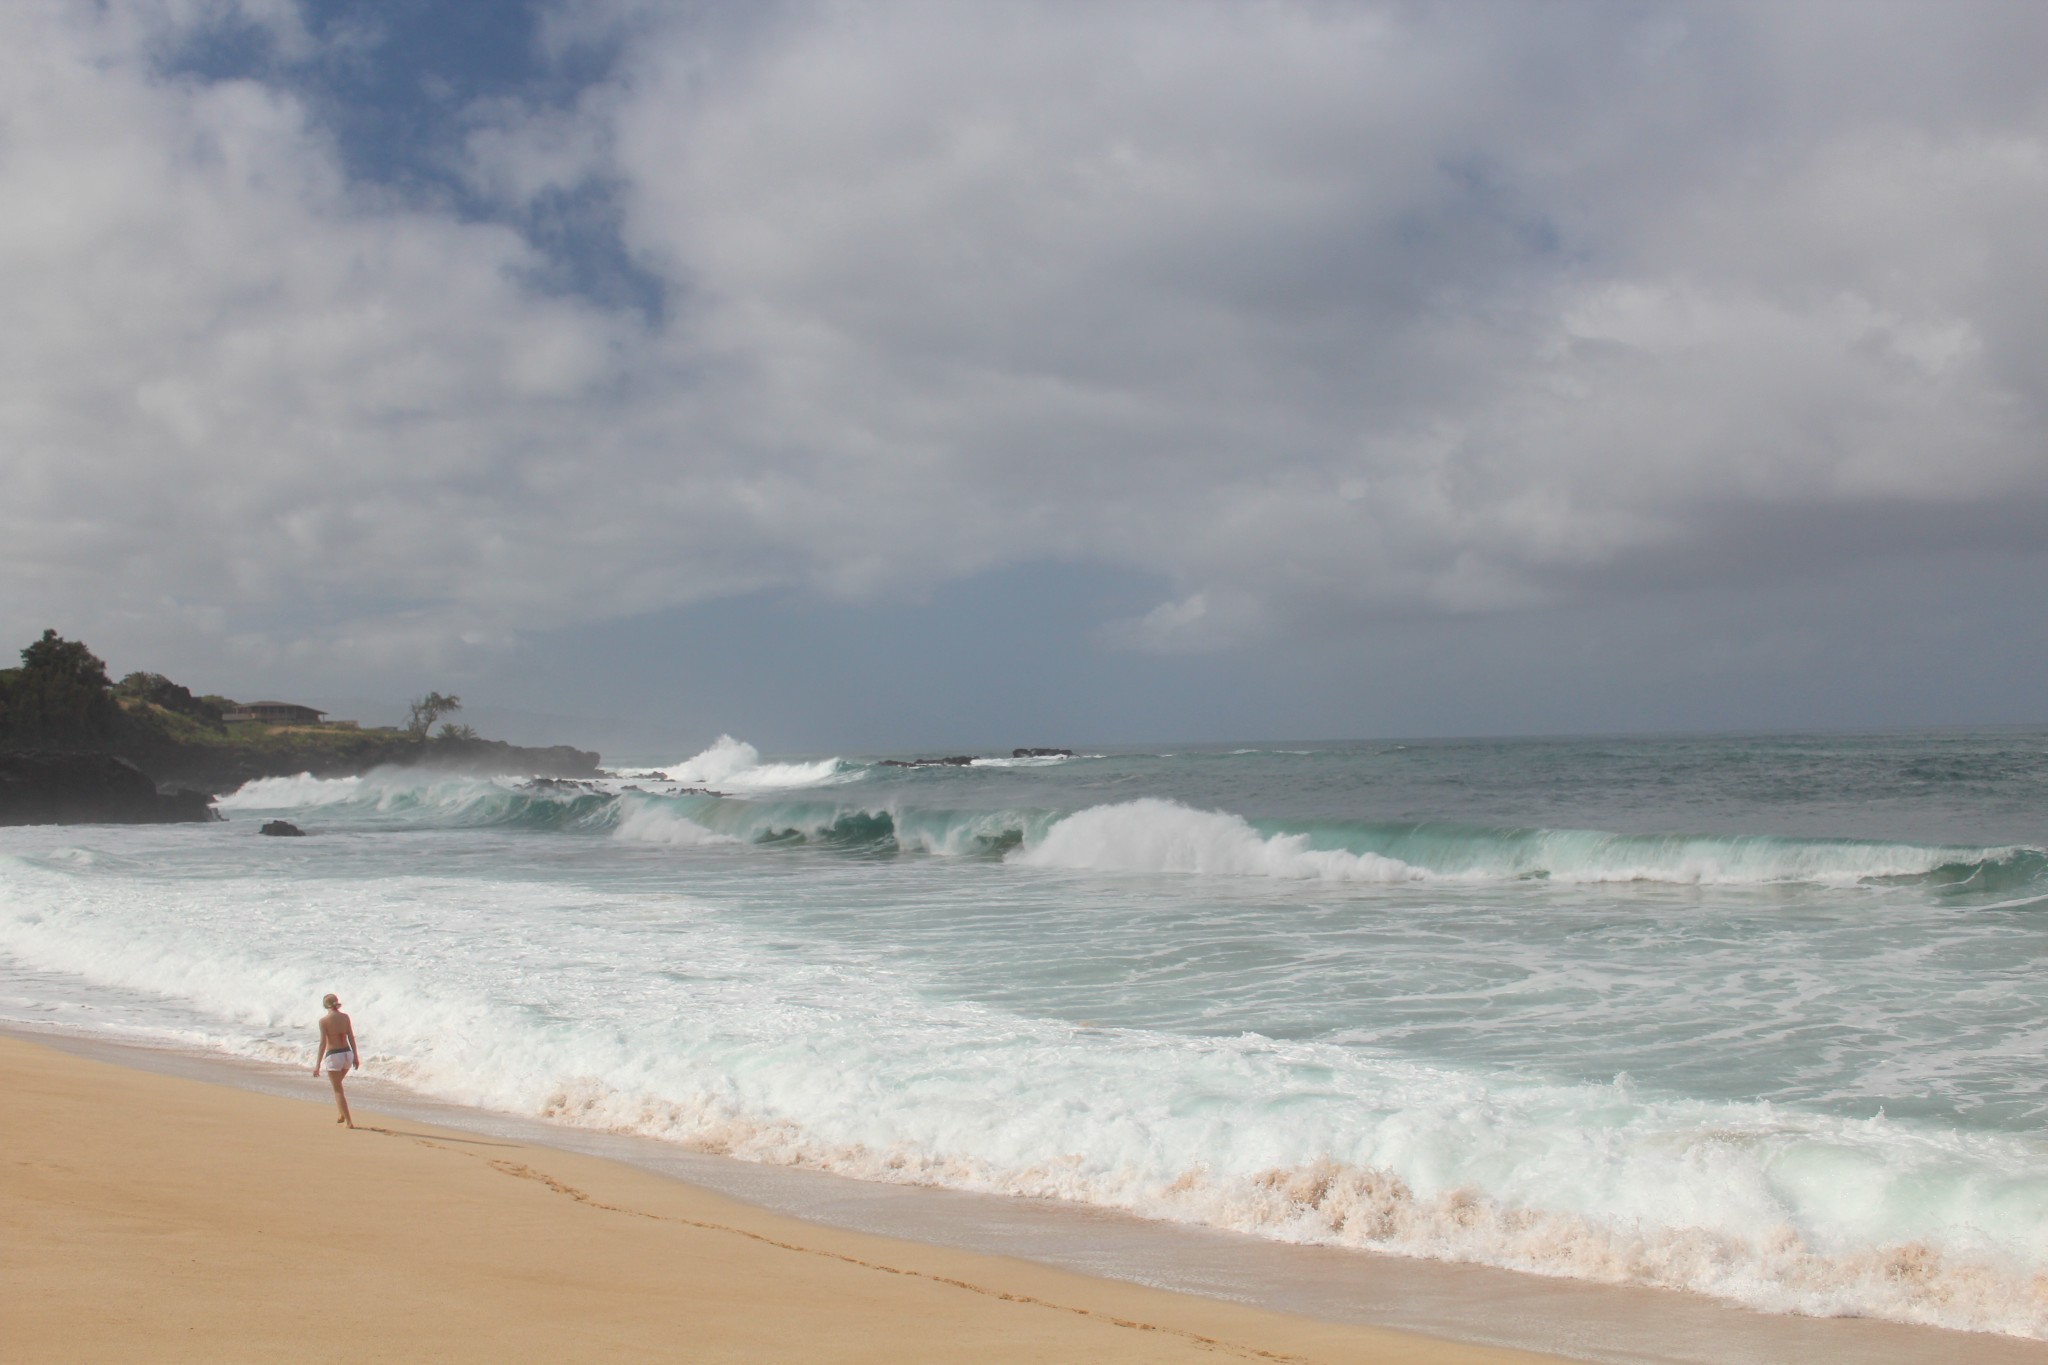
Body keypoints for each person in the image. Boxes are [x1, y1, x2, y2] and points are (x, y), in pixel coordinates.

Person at [312, 992, 359, 1128]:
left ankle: (349, 1121)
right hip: (347, 1054)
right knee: (338, 1085)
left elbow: (322, 1043)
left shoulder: (324, 1021)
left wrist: (317, 1065)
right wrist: (355, 1056)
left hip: (334, 1055)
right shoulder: (345, 1017)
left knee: (338, 1090)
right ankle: (341, 1113)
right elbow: (351, 1037)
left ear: (325, 1006)